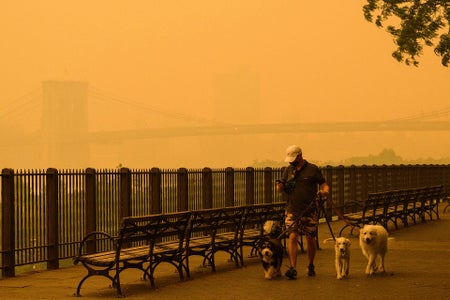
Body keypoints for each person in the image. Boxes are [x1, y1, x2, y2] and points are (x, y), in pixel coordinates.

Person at [276, 145, 329, 279]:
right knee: (292, 236)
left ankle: (310, 265)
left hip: (310, 209)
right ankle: (293, 268)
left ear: (300, 156)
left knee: (310, 238)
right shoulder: (288, 170)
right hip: (292, 209)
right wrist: (279, 187)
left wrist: (325, 191)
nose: (291, 161)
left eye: (293, 159)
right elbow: (280, 187)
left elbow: (323, 184)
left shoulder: (313, 169)